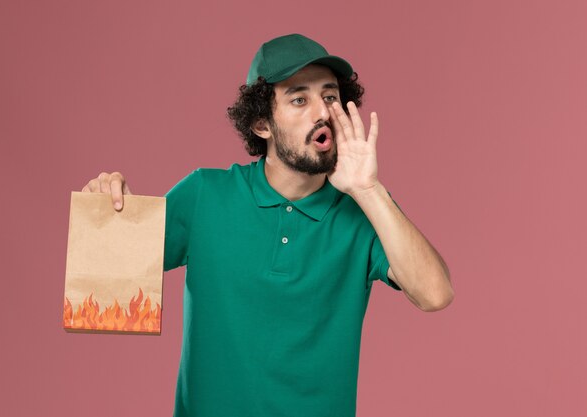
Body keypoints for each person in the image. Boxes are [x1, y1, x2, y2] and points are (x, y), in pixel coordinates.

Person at [82, 33, 454, 417]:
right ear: (262, 124)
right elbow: (105, 278)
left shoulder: (362, 211)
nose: (322, 112)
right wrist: (105, 214)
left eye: (329, 97)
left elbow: (435, 294)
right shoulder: (205, 195)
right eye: (299, 99)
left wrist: (369, 189)